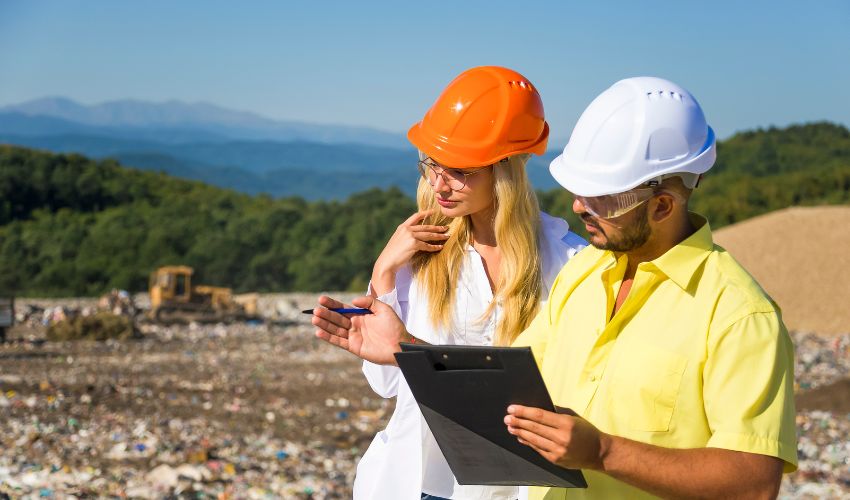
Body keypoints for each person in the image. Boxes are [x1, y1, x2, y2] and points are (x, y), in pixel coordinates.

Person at [311, 76, 797, 499]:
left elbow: (753, 483)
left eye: (600, 198)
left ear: (663, 206)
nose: (579, 206)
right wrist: (409, 349)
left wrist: (602, 451)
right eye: (577, 188)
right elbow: (502, 386)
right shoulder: (584, 279)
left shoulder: (739, 316)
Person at [350, 66, 586, 500]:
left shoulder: (571, 264)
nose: (440, 184)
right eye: (432, 165)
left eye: (460, 171)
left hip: (514, 489)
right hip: (416, 482)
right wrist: (383, 272)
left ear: (507, 171)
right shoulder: (421, 252)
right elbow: (383, 384)